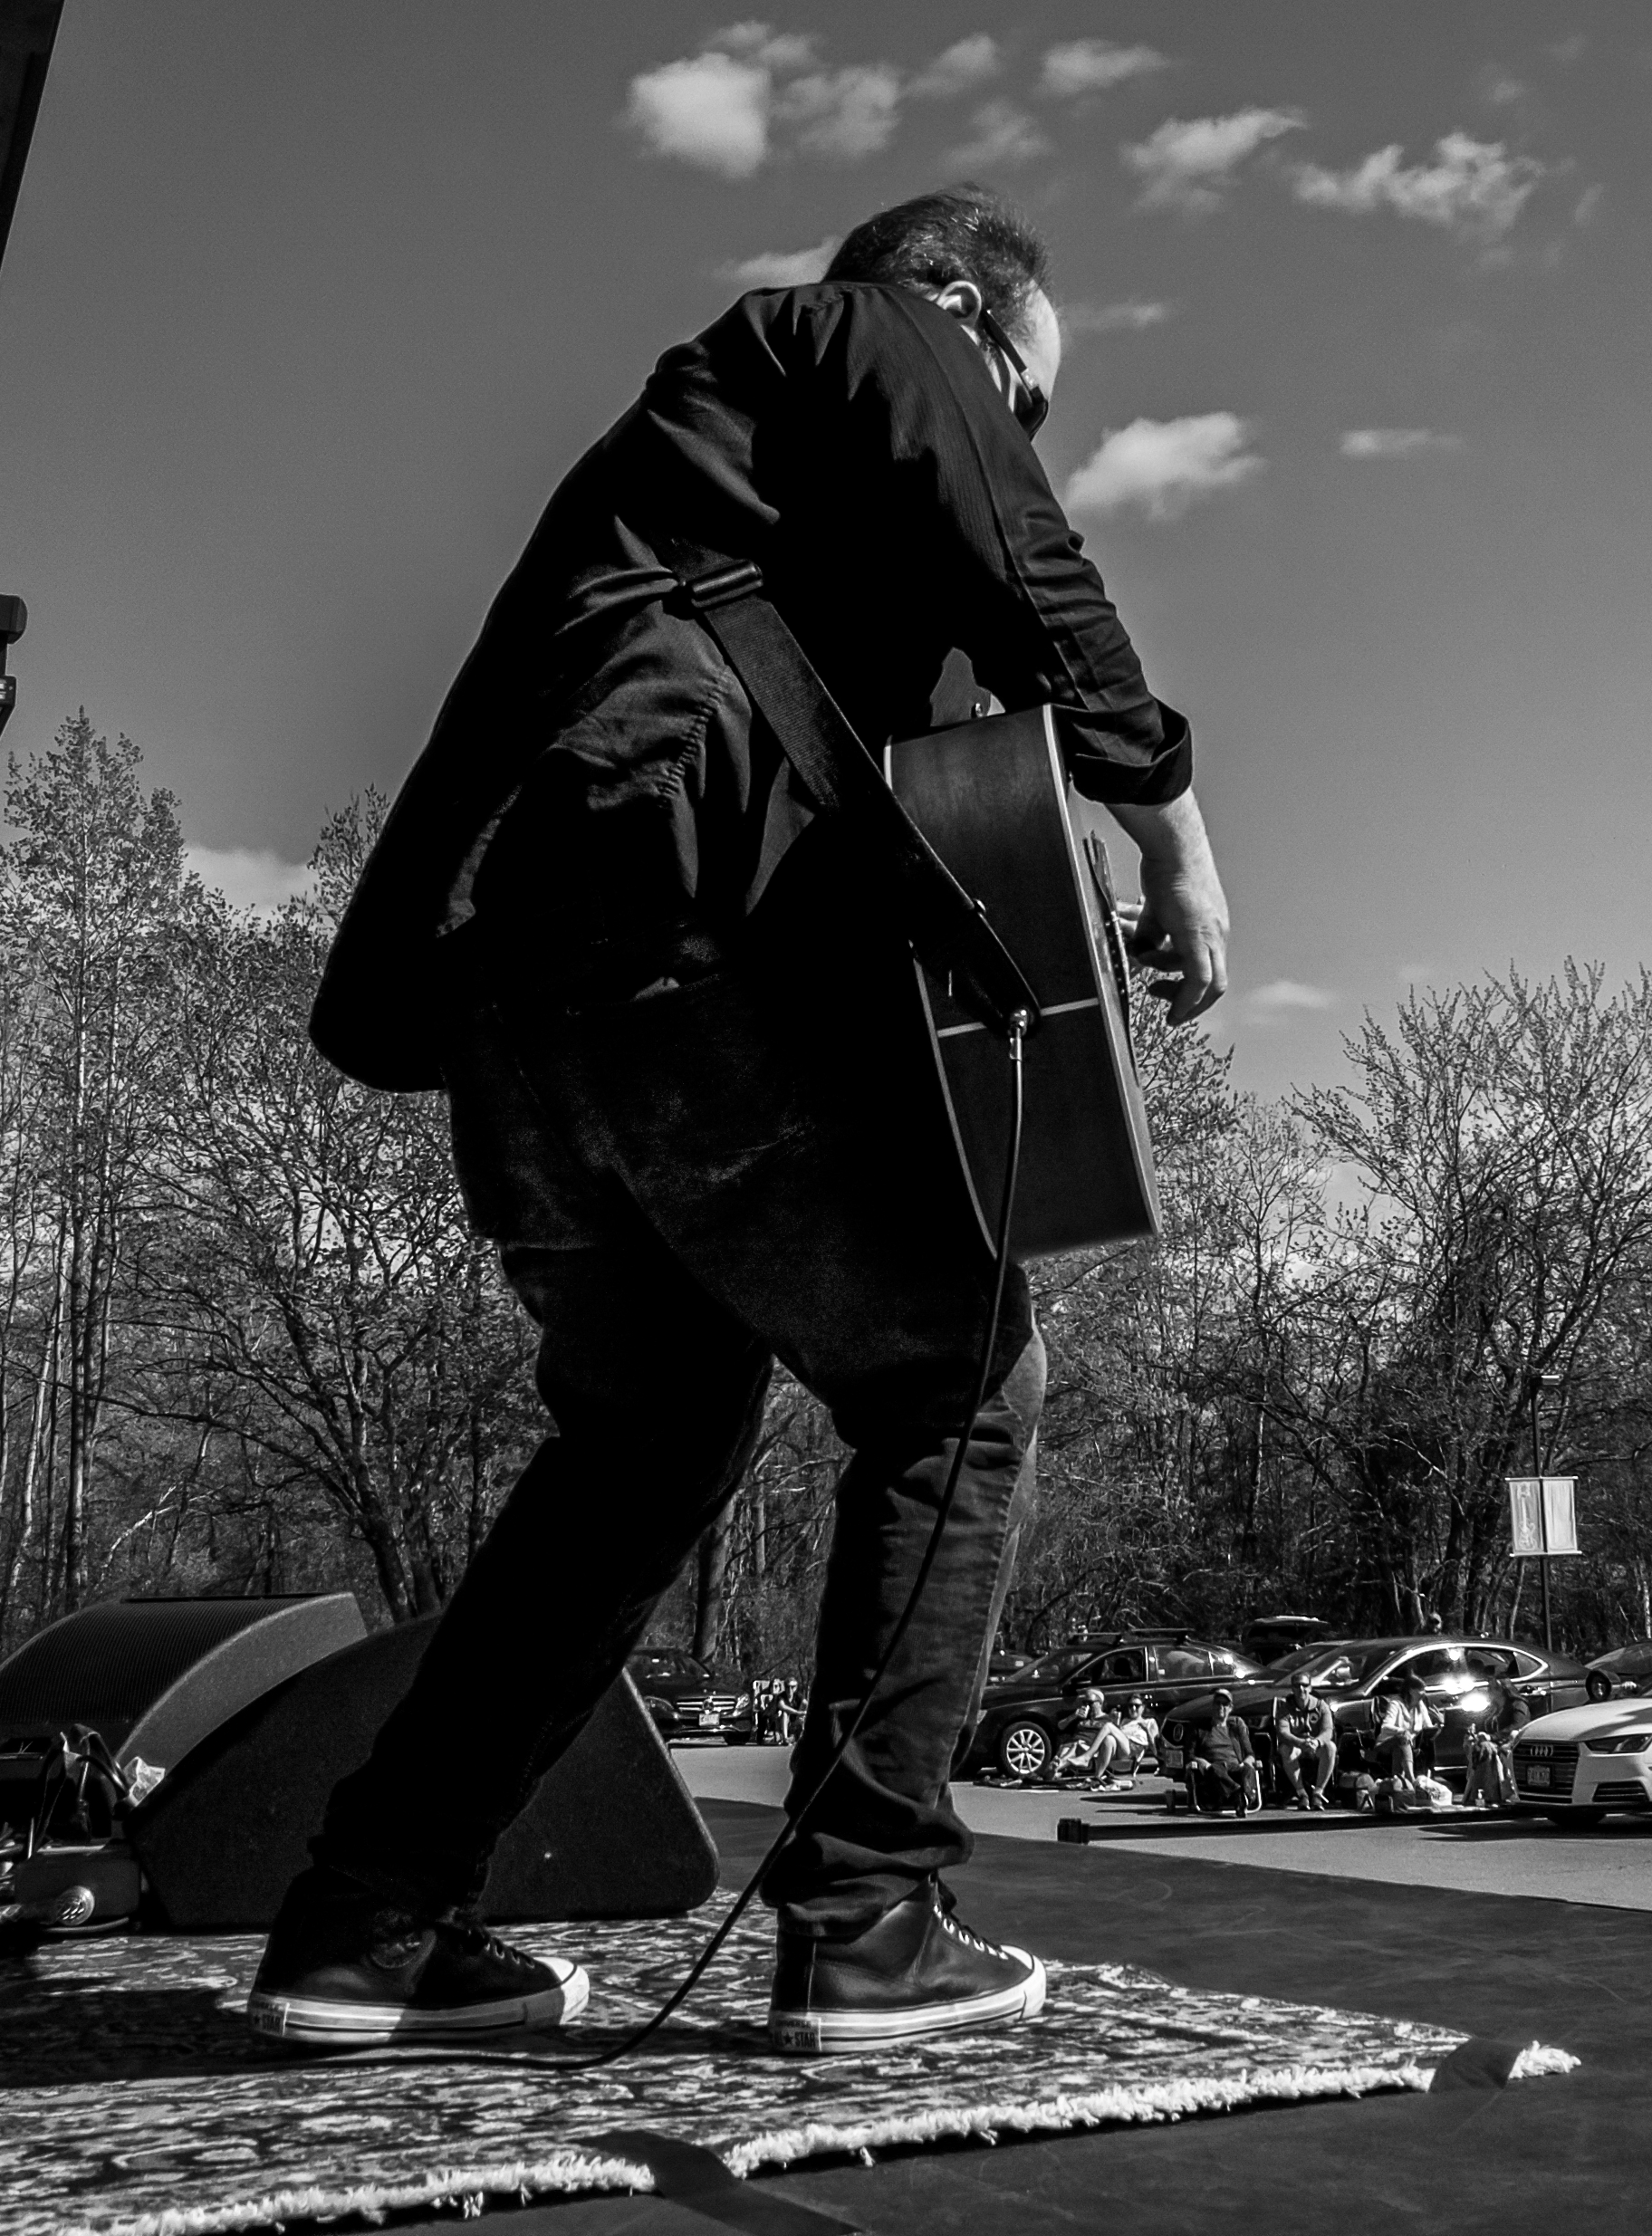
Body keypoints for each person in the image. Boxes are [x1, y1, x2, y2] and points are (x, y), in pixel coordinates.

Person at [249, 187, 1228, 2054]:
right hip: (679, 954)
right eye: (1023, 393)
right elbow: (1014, 552)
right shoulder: (839, 329)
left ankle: (366, 1919)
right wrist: (1168, 826)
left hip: (529, 1031)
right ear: (957, 306)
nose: (1014, 432)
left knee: (641, 1442)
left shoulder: (708, 494)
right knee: (952, 1383)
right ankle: (862, 1914)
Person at [1184, 1691, 1263, 1817]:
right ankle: (1238, 1794)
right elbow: (1189, 1756)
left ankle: (1245, 1796)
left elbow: (1250, 1754)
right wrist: (1203, 1763)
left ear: (1230, 1708)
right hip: (1213, 1768)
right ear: (1212, 1706)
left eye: (1225, 1704)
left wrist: (1246, 1763)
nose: (1221, 1707)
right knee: (1216, 1769)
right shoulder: (1199, 1728)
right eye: (1217, 1703)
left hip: (1235, 1767)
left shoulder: (1236, 1726)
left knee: (1248, 1770)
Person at [1369, 1675, 1436, 1801]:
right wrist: (1402, 1731)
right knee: (1401, 1739)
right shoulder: (1395, 1704)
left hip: (1408, 1747)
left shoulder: (1421, 1706)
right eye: (1421, 1690)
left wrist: (1440, 1726)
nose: (1424, 1693)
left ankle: (1399, 1791)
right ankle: (1411, 1782)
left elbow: (1428, 1730)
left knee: (1400, 1748)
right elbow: (1385, 1726)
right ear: (1411, 1690)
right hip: (1386, 1744)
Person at [1280, 1687, 1340, 1810]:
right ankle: (1302, 1794)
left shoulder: (1321, 1707)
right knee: (1285, 1749)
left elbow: (1328, 1731)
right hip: (1296, 1744)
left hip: (1316, 1744)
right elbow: (1283, 1732)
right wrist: (1300, 1742)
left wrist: (1317, 1742)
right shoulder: (1286, 1709)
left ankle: (1318, 1793)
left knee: (1331, 1747)